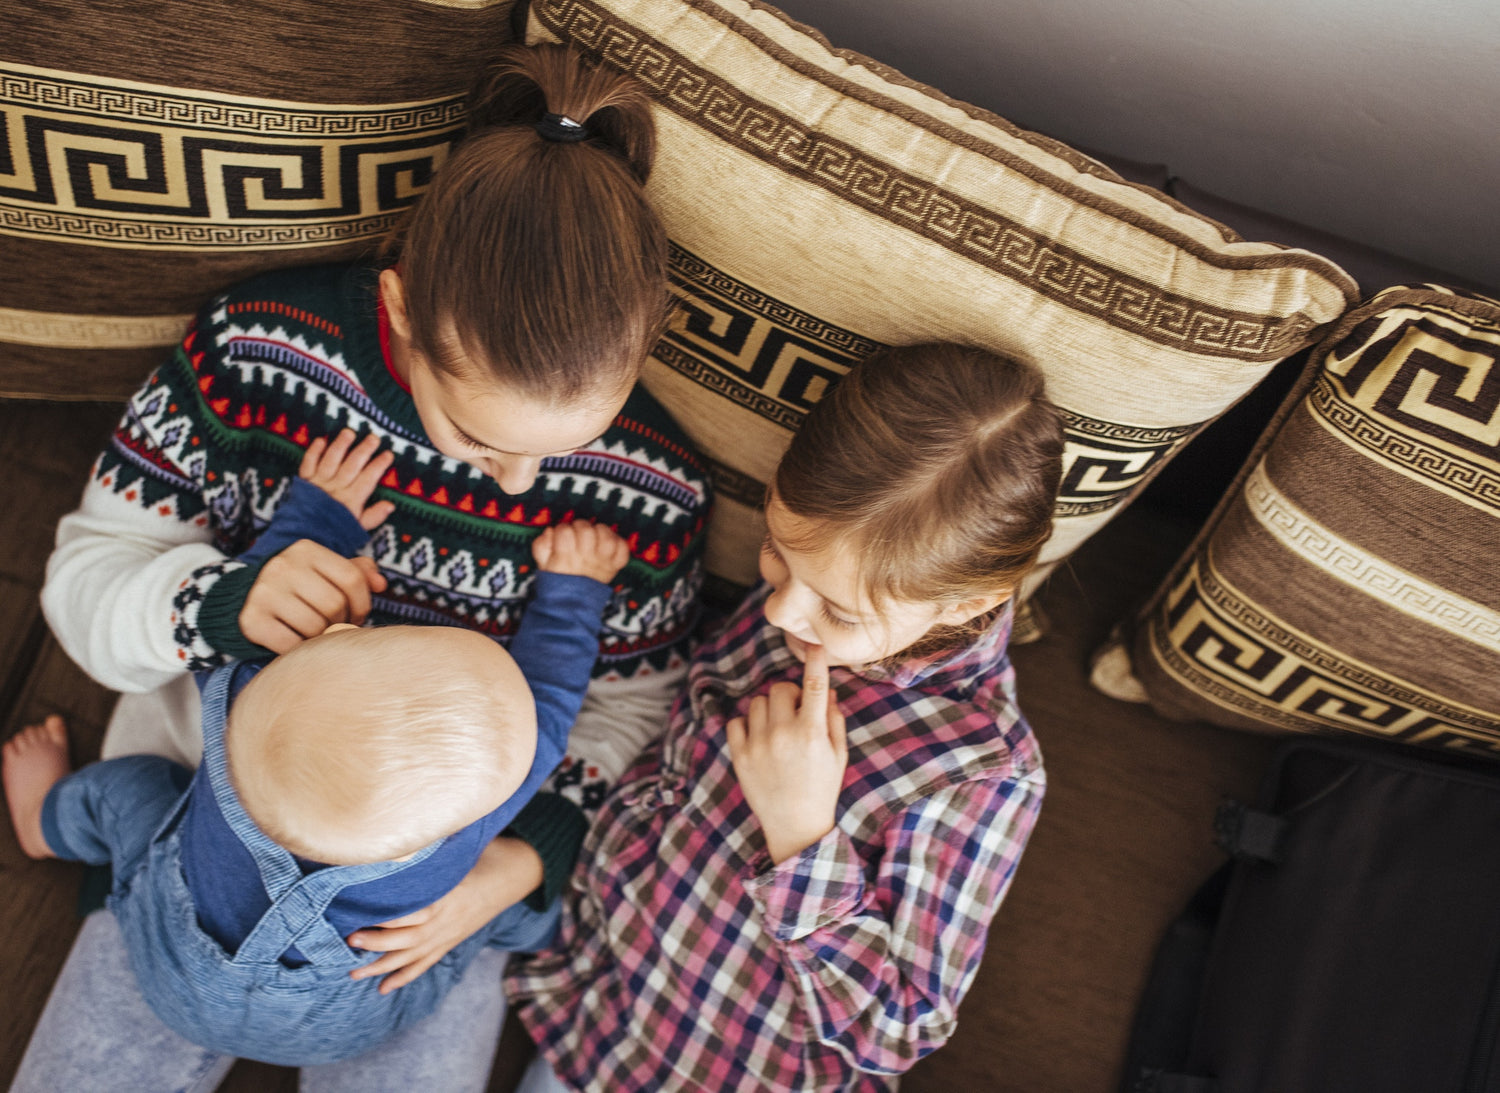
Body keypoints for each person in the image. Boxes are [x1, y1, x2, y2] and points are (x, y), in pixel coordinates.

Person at [15, 41, 707, 1090]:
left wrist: (523, 861)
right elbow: (85, 591)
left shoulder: (650, 491)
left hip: (440, 897)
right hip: (206, 845)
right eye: (479, 438)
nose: (521, 489)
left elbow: (630, 712)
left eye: (565, 443)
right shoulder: (254, 358)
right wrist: (222, 604)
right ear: (396, 311)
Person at [355, 342, 1063, 1091]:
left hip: (721, 1067)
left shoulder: (980, 771)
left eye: (838, 609)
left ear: (967, 604)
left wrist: (800, 836)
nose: (784, 609)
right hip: (599, 994)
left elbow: (899, 1027)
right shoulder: (807, 596)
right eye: (777, 553)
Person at [4, 432, 629, 1065]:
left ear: (330, 635)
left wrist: (319, 515)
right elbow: (549, 701)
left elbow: (258, 598)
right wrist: (574, 590)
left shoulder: (239, 693)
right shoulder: (470, 819)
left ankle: (43, 822)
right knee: (489, 913)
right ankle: (558, 932)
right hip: (353, 1019)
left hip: (170, 969)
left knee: (130, 786)